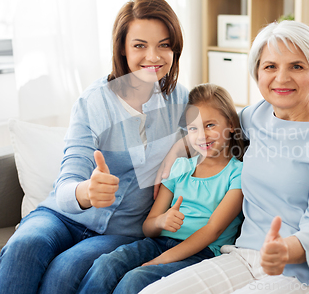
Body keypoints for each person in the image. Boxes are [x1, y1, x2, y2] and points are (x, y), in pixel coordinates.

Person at [141, 20, 309, 294]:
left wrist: (285, 249)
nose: (281, 78)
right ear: (258, 74)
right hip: (247, 256)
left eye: (297, 66)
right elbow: (210, 129)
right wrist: (175, 152)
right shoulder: (255, 117)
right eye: (270, 66)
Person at [0, 0, 189, 294]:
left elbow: (220, 130)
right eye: (139, 45)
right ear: (122, 48)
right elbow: (68, 181)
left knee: (65, 271)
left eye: (164, 44)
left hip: (120, 231)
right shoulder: (94, 101)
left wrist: (177, 149)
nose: (153, 56)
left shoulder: (181, 101)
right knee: (24, 245)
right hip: (62, 215)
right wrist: (87, 191)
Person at [76, 83, 246, 294]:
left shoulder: (237, 174)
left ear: (230, 124)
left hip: (202, 252)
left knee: (135, 280)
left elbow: (214, 230)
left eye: (210, 125)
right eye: (193, 128)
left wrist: (161, 261)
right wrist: (161, 221)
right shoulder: (180, 167)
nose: (202, 135)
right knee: (106, 265)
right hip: (158, 242)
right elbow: (148, 227)